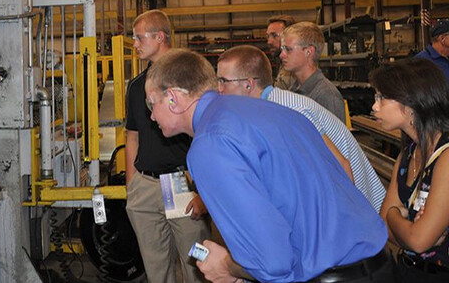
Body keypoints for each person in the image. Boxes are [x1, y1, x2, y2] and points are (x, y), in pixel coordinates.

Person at [145, 49, 392, 283]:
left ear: (173, 99)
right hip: (378, 262)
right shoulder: (274, 110)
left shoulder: (210, 143)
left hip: (326, 274)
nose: (152, 117)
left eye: (151, 104)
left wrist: (225, 266)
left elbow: (272, 261)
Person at [216, 45, 386, 212]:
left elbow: (341, 166)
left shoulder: (290, 111)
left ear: (248, 84)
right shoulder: (268, 108)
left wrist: (346, 221)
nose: (219, 89)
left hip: (362, 208)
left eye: (224, 81)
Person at [125, 10, 210, 283]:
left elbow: (207, 136)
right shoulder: (137, 86)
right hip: (146, 186)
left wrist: (203, 193)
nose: (135, 44)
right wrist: (132, 184)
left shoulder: (190, 81)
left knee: (196, 263)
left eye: (139, 37)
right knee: (155, 267)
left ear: (159, 37)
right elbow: (132, 135)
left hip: (181, 184)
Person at [371, 58, 449, 283]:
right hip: (408, 271)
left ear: (413, 103)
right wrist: (408, 226)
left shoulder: (445, 157)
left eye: (382, 98)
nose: (374, 106)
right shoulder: (407, 155)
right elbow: (382, 227)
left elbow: (417, 241)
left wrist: (396, 214)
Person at [280, 22, 347, 123]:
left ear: (309, 51)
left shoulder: (327, 96)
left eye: (288, 49)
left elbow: (336, 138)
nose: (282, 55)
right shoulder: (294, 90)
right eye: (282, 49)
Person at [266, 15, 296, 90]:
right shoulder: (283, 64)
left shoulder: (295, 70)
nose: (269, 42)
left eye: (274, 35)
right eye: (268, 36)